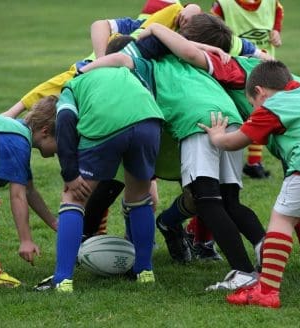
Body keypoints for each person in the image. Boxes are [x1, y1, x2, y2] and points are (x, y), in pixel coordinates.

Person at [137, 22, 300, 285]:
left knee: (296, 201)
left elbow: (190, 53)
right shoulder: (264, 70)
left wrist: (156, 27)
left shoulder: (233, 68)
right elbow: (263, 55)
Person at [81, 13, 266, 291]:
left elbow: (121, 60)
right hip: (229, 120)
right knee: (230, 200)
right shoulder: (200, 63)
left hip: (197, 123)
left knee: (206, 200)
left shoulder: (148, 63)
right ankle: (268, 250)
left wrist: (86, 70)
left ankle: (242, 271)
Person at [199, 60, 300, 308]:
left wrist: (217, 137)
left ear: (259, 92)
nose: (254, 108)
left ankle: (267, 291)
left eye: (252, 103)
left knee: (283, 217)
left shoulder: (271, 106)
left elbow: (235, 142)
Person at [33, 64, 164, 292]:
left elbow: (64, 120)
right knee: (138, 197)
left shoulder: (71, 88)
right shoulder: (126, 74)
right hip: (149, 120)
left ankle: (62, 279)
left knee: (73, 198)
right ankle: (144, 271)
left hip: (107, 122)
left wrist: (70, 173)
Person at [0, 103, 57, 288]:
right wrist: (26, 240)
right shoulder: (17, 141)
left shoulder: (19, 134)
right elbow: (18, 196)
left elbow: (29, 190)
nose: (61, 151)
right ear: (45, 131)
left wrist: (55, 223)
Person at [211, 0, 284, 179]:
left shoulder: (270, 2)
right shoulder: (223, 4)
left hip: (264, 67)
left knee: (260, 112)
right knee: (234, 114)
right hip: (234, 68)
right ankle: (222, 158)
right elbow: (210, 27)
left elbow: (278, 11)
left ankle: (254, 162)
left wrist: (276, 31)